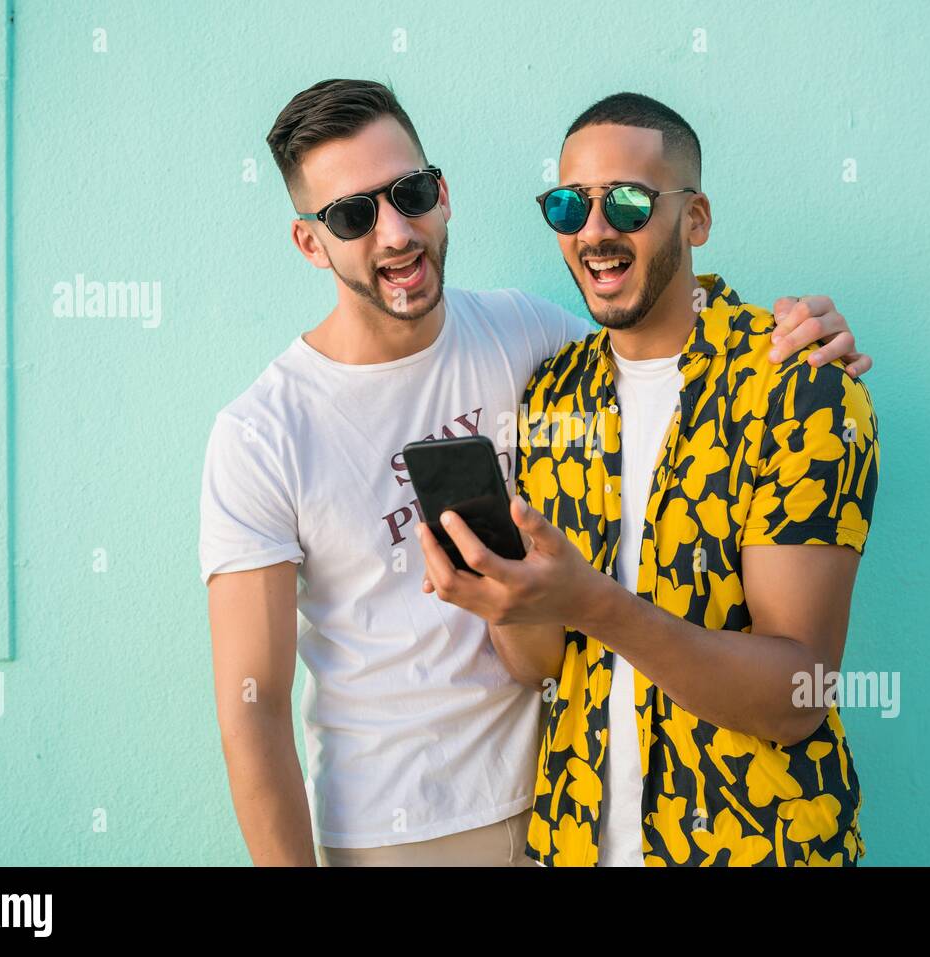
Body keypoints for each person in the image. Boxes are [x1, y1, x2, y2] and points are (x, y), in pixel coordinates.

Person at [201, 79, 871, 866]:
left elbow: (662, 340)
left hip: (570, 818)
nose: (393, 234)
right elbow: (251, 712)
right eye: (352, 215)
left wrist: (806, 337)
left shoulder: (535, 347)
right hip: (405, 833)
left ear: (442, 194)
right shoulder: (263, 432)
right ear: (311, 242)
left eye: (410, 193)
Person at [419, 92, 879, 866]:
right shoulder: (552, 396)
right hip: (574, 844)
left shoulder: (798, 385)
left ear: (694, 219)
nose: (594, 229)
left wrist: (594, 603)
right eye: (568, 205)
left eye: (628, 202)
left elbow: (795, 693)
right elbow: (539, 664)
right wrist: (501, 600)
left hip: (757, 846)